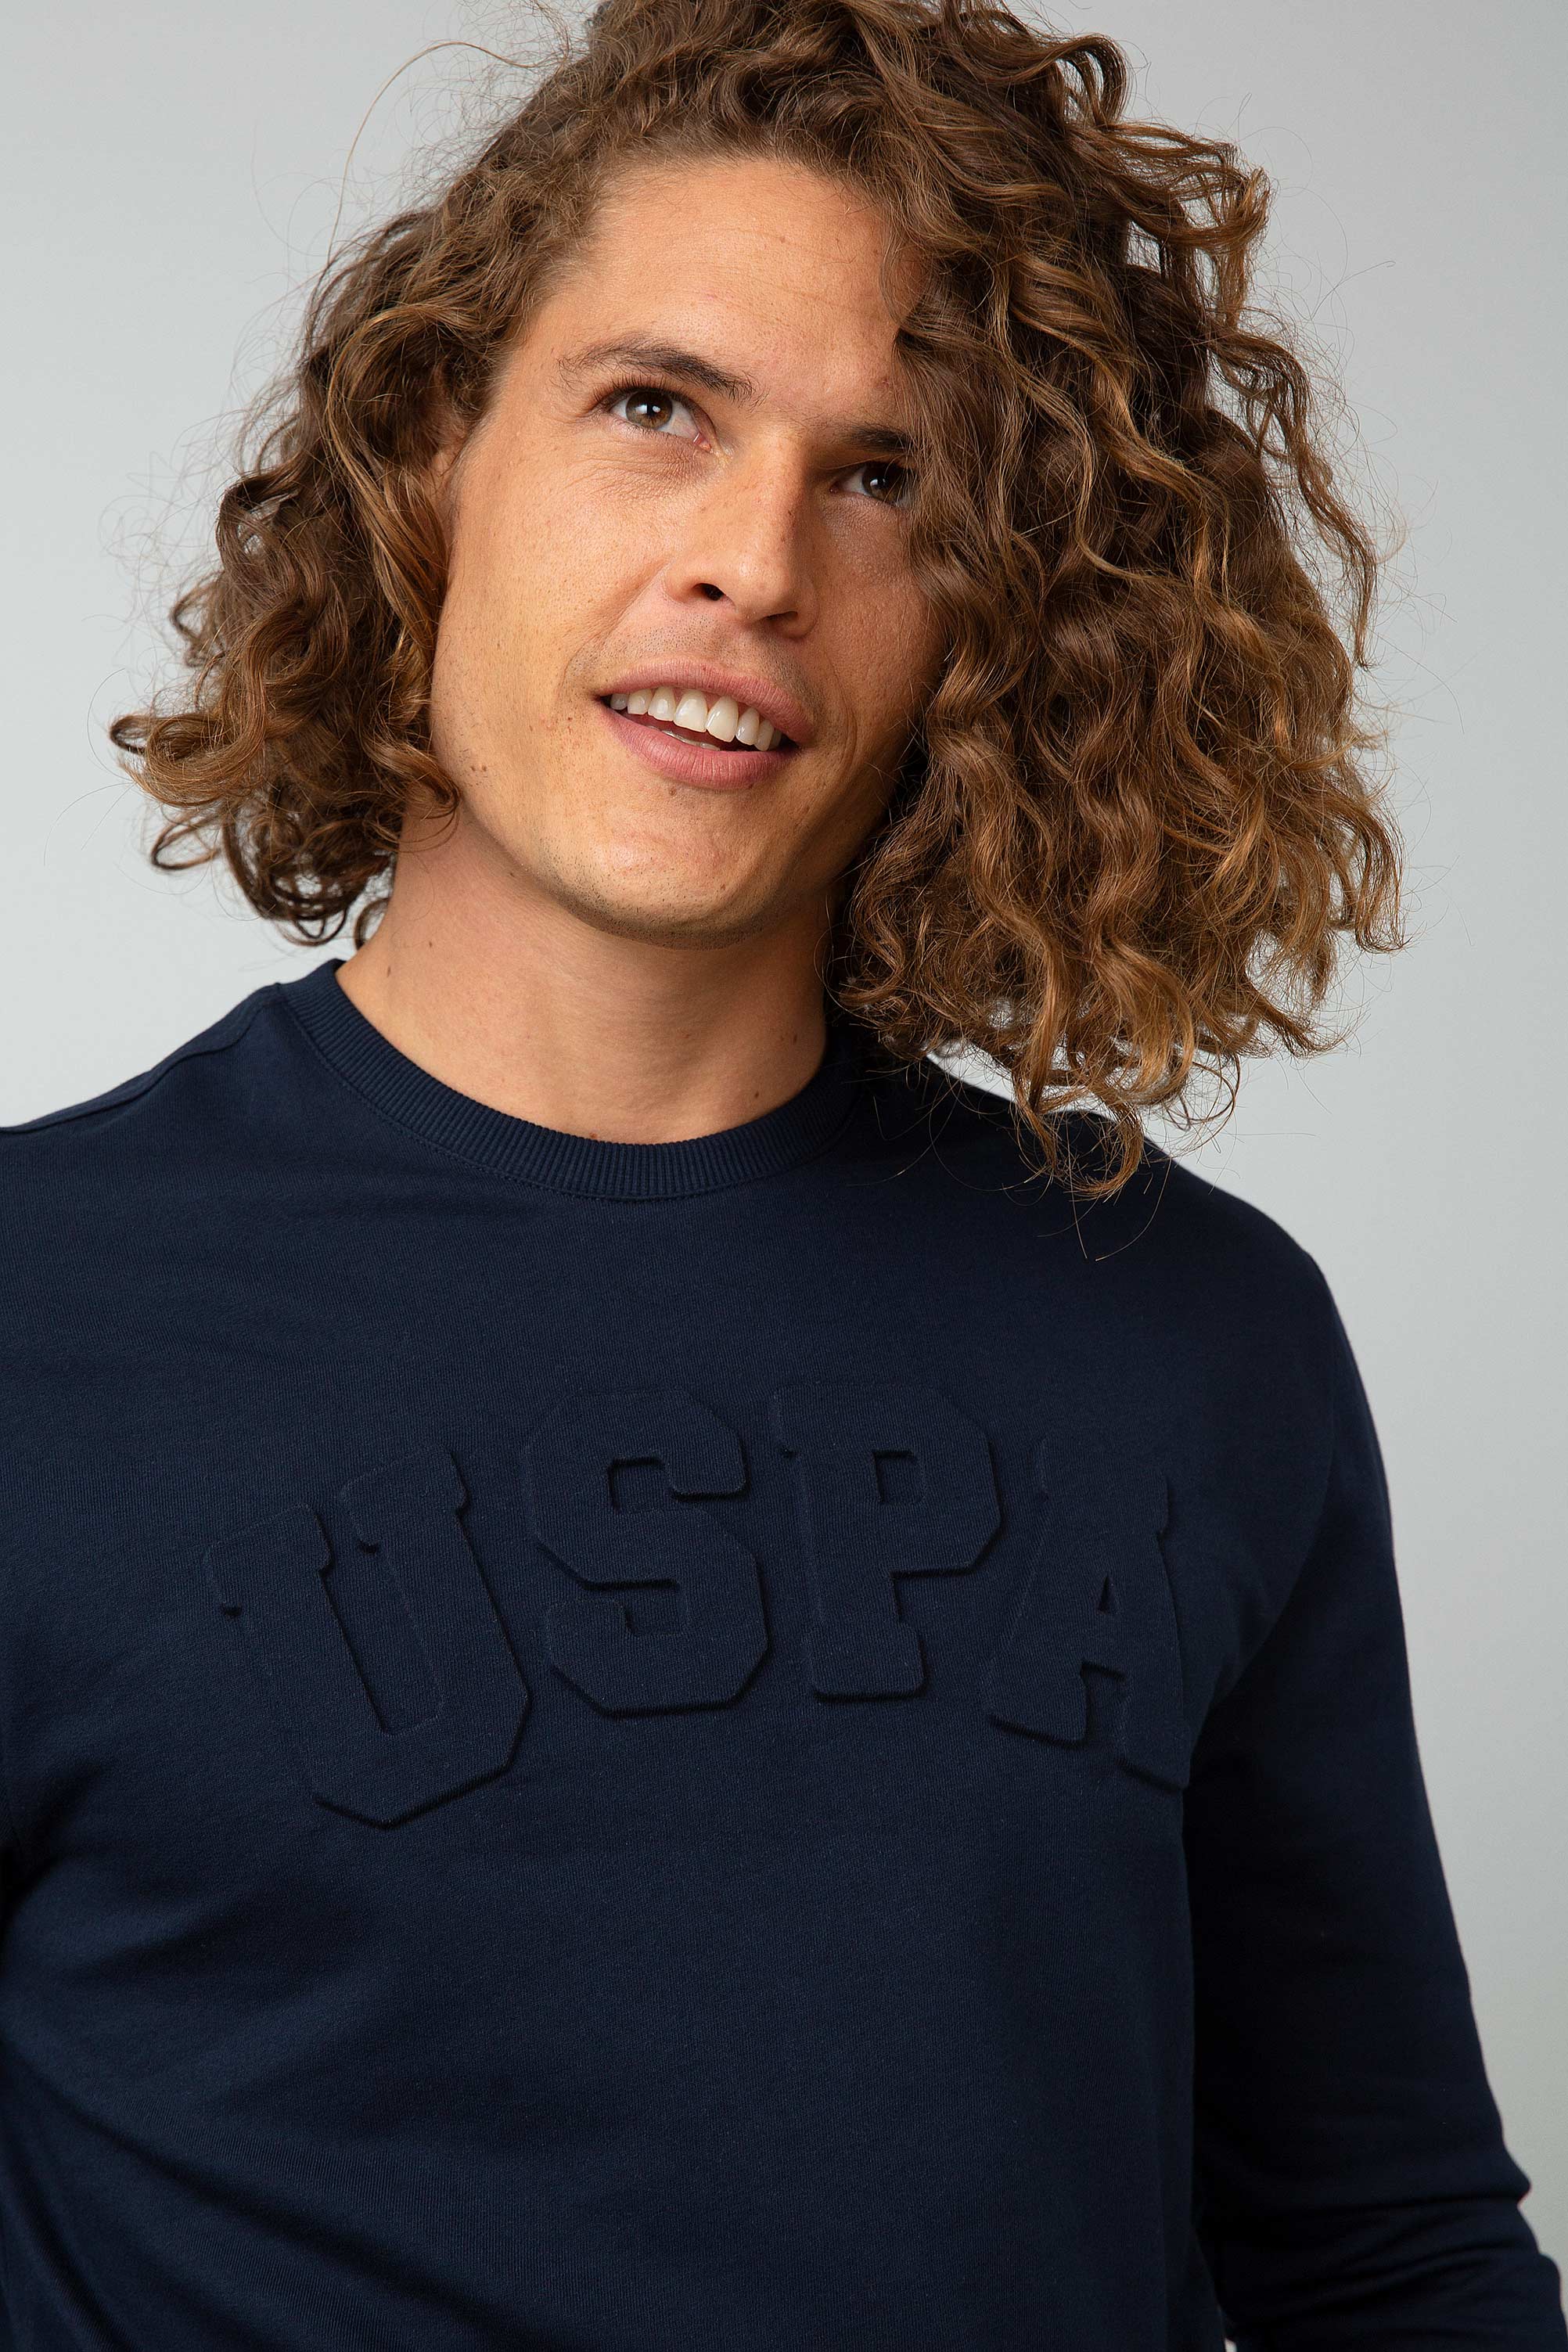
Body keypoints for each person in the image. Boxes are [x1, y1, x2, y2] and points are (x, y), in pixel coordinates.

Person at [2, 0, 1561, 2344]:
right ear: (432, 457)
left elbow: (1386, 2251)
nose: (753, 562)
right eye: (657, 407)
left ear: (1002, 616)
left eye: (888, 478)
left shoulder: (1189, 1334)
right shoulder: (38, 1322)